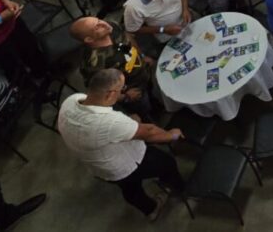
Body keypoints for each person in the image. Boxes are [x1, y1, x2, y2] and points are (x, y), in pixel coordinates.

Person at [58, 69, 185, 220]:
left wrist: (124, 99)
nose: (123, 91)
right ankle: (178, 188)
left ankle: (151, 210)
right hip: (126, 163)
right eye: (122, 89)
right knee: (167, 163)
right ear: (110, 94)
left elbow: (103, 113)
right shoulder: (109, 122)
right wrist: (172, 135)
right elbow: (149, 133)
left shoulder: (71, 100)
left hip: (101, 167)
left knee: (130, 188)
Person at [123, 0, 190, 46]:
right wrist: (163, 29)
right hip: (166, 37)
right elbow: (133, 29)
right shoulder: (133, 6)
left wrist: (185, 9)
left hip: (186, 23)